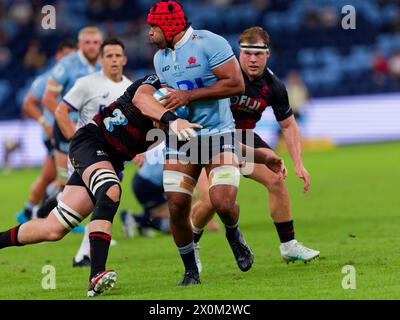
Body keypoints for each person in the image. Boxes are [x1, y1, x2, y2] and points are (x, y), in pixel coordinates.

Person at [0, 73, 206, 297]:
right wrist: (169, 119)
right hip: (89, 143)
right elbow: (142, 99)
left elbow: (188, 159)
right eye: (163, 114)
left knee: (54, 229)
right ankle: (96, 275)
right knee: (110, 190)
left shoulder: (170, 129)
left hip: (110, 161)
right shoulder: (145, 90)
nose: (160, 124)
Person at [147, 0, 284, 285]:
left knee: (222, 202)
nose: (150, 33)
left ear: (169, 27)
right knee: (176, 206)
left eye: (154, 27)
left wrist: (189, 96)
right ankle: (190, 270)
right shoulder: (160, 58)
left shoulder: (210, 43)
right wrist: (163, 116)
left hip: (219, 135)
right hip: (181, 140)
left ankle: (233, 234)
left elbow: (236, 84)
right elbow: (170, 98)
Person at [191, 27, 319, 267]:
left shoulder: (273, 86)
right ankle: (192, 245)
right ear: (239, 53)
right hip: (211, 139)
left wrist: (299, 164)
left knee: (276, 177)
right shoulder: (221, 73)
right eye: (247, 53)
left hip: (244, 139)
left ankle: (288, 245)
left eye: (257, 54)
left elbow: (289, 126)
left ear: (267, 54)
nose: (252, 59)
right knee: (211, 201)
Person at [54, 38, 132, 267]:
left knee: (97, 203)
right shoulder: (87, 83)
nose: (114, 60)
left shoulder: (130, 89)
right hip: (87, 154)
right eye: (109, 56)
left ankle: (54, 203)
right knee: (102, 199)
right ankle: (85, 257)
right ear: (101, 60)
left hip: (113, 157)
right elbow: (61, 110)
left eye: (118, 55)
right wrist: (74, 141)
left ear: (125, 59)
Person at [41, 27, 103, 213]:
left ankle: (54, 214)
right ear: (79, 45)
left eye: (95, 43)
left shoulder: (104, 64)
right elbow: (48, 99)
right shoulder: (67, 65)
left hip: (91, 129)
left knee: (91, 179)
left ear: (100, 44)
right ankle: (44, 213)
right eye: (87, 42)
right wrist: (67, 122)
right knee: (64, 180)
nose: (92, 47)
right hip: (66, 126)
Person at [16, 40, 76, 223]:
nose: (69, 60)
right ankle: (58, 214)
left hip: (70, 131)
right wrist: (44, 123)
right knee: (65, 177)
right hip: (55, 134)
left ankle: (27, 212)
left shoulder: (77, 77)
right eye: (66, 55)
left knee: (49, 177)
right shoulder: (49, 77)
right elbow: (28, 103)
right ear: (58, 56)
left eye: (73, 57)